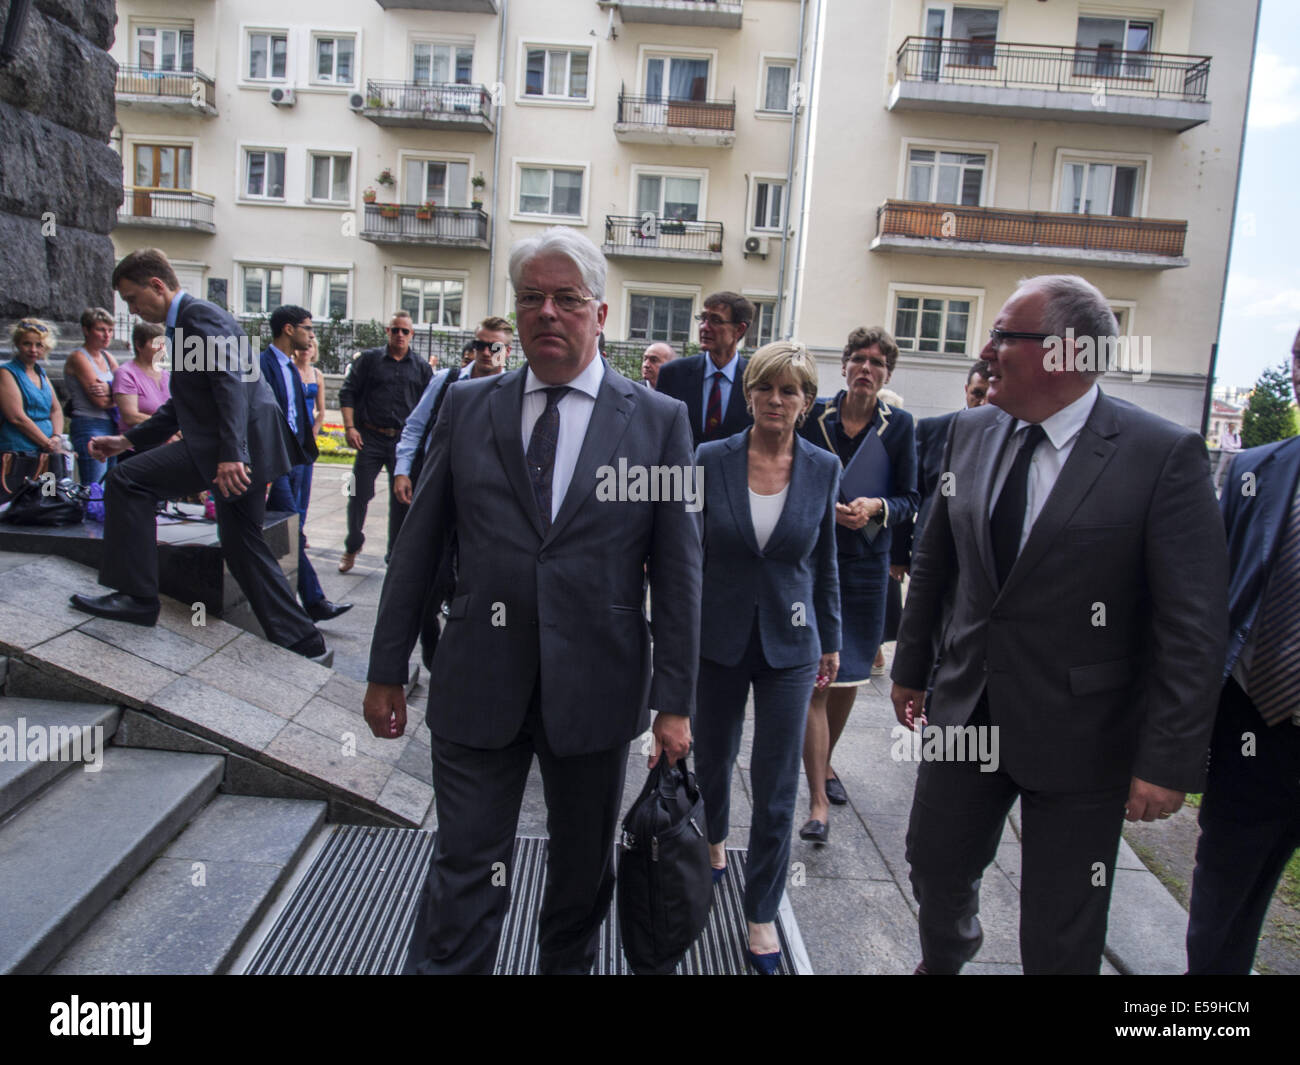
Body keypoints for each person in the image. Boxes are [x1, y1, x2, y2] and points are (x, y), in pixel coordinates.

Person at [361, 226, 702, 975]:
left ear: (600, 313)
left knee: (580, 880)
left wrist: (674, 702)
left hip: (597, 688)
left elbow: (678, 572)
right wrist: (386, 665)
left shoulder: (656, 422)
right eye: (531, 299)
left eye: (567, 299)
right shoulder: (469, 405)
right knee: (464, 872)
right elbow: (419, 546)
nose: (547, 312)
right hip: (479, 680)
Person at [891, 274, 1229, 975]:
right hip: (968, 711)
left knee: (1063, 919)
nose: (986, 351)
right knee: (934, 863)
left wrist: (1166, 761)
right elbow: (936, 561)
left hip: (1086, 735)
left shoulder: (1161, 456)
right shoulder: (969, 433)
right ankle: (945, 960)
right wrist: (912, 666)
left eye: (1004, 334)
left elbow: (1192, 624)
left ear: (1065, 353)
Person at [68, 248, 332, 666]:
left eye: (133, 298)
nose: (133, 310)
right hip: (242, 446)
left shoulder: (197, 319)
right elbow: (183, 405)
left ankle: (137, 597)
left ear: (157, 285)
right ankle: (303, 641)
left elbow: (230, 384)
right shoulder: (188, 321)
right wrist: (126, 441)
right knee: (242, 543)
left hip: (227, 448)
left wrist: (231, 455)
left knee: (126, 482)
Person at [694, 341, 841, 974]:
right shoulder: (709, 459)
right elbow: (683, 554)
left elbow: (825, 561)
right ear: (748, 392)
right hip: (717, 637)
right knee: (714, 758)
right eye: (765, 388)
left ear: (806, 403)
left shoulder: (823, 468)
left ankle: (761, 914)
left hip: (791, 643)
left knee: (777, 783)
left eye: (790, 391)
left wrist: (830, 640)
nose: (776, 400)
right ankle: (716, 841)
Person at [1186, 325, 1300, 974]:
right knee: (1219, 923)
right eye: (1299, 355)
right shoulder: (1256, 469)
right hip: (1253, 732)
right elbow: (1212, 599)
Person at [796, 327, 918, 843]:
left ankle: (824, 764)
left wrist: (878, 508)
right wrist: (829, 508)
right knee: (814, 675)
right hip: (814, 557)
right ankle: (817, 797)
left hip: (867, 566)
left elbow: (913, 498)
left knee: (846, 677)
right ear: (843, 365)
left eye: (877, 363)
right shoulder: (813, 414)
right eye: (858, 360)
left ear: (887, 373)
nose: (867, 369)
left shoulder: (901, 425)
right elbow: (793, 475)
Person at [260, 305, 352, 623]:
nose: (312, 335)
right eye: (307, 328)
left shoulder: (290, 367)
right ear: (288, 329)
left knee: (292, 529)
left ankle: (303, 602)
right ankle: (310, 602)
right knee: (290, 529)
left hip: (298, 458)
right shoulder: (264, 365)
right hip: (276, 462)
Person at [337, 310, 433, 572]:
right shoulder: (369, 360)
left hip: (402, 443)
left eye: (405, 331)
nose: (399, 334)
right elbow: (347, 393)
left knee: (401, 499)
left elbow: (428, 408)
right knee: (357, 494)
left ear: (412, 334)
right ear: (387, 332)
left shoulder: (421, 367)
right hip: (369, 438)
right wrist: (349, 427)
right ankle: (352, 544)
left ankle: (394, 557)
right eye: (395, 329)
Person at [392, 316, 513, 507]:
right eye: (479, 345)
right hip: (433, 480)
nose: (486, 352)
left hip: (482, 494)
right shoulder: (446, 380)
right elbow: (415, 426)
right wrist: (402, 471)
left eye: (495, 347)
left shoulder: (512, 392)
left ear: (507, 351)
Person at [655, 292, 754, 446]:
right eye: (703, 319)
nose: (704, 327)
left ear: (739, 330)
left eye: (715, 320)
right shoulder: (673, 373)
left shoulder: (755, 380)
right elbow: (657, 430)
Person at [1, 319, 66, 475]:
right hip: (19, 454)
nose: (33, 349)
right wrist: (47, 443)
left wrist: (57, 437)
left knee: (48, 495)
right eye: (27, 344)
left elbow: (56, 410)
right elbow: (17, 417)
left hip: (46, 454)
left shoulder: (41, 373)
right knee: (19, 497)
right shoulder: (6, 372)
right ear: (17, 344)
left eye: (39, 345)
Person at [64, 308, 120, 484]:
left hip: (111, 424)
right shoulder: (79, 358)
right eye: (101, 330)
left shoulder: (108, 356)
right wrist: (116, 394)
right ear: (86, 330)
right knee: (94, 487)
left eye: (110, 330)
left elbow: (128, 390)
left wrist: (109, 388)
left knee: (109, 486)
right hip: (89, 424)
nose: (107, 335)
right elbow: (100, 401)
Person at [112, 322, 171, 437]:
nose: (161, 348)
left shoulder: (166, 375)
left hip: (166, 440)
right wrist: (168, 426)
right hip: (137, 442)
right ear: (139, 345)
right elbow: (130, 416)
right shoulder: (126, 374)